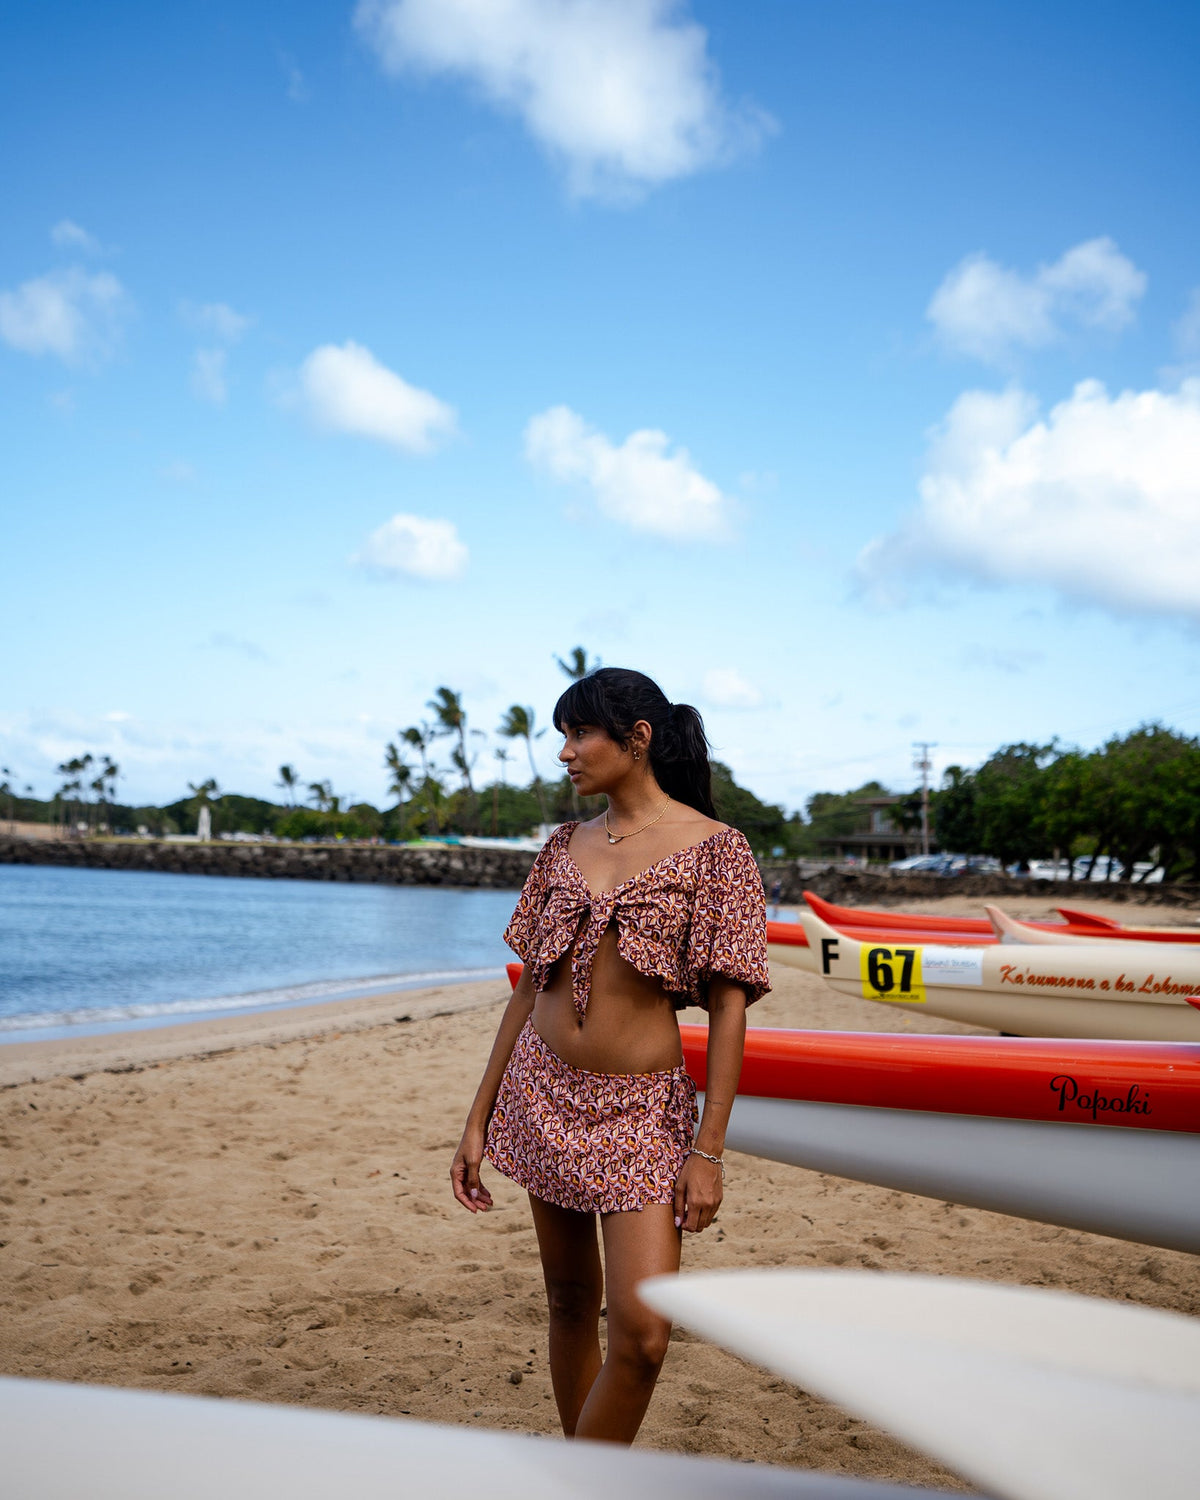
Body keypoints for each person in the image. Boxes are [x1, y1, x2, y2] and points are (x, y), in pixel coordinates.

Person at [451, 667, 769, 1445]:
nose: (565, 752)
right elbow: (527, 992)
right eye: (562, 735)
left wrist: (709, 1151)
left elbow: (729, 1007)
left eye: (578, 733)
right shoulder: (563, 846)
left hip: (641, 1111)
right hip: (538, 1093)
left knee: (643, 1336)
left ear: (638, 739)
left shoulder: (717, 851)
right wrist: (476, 1121)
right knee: (566, 1301)